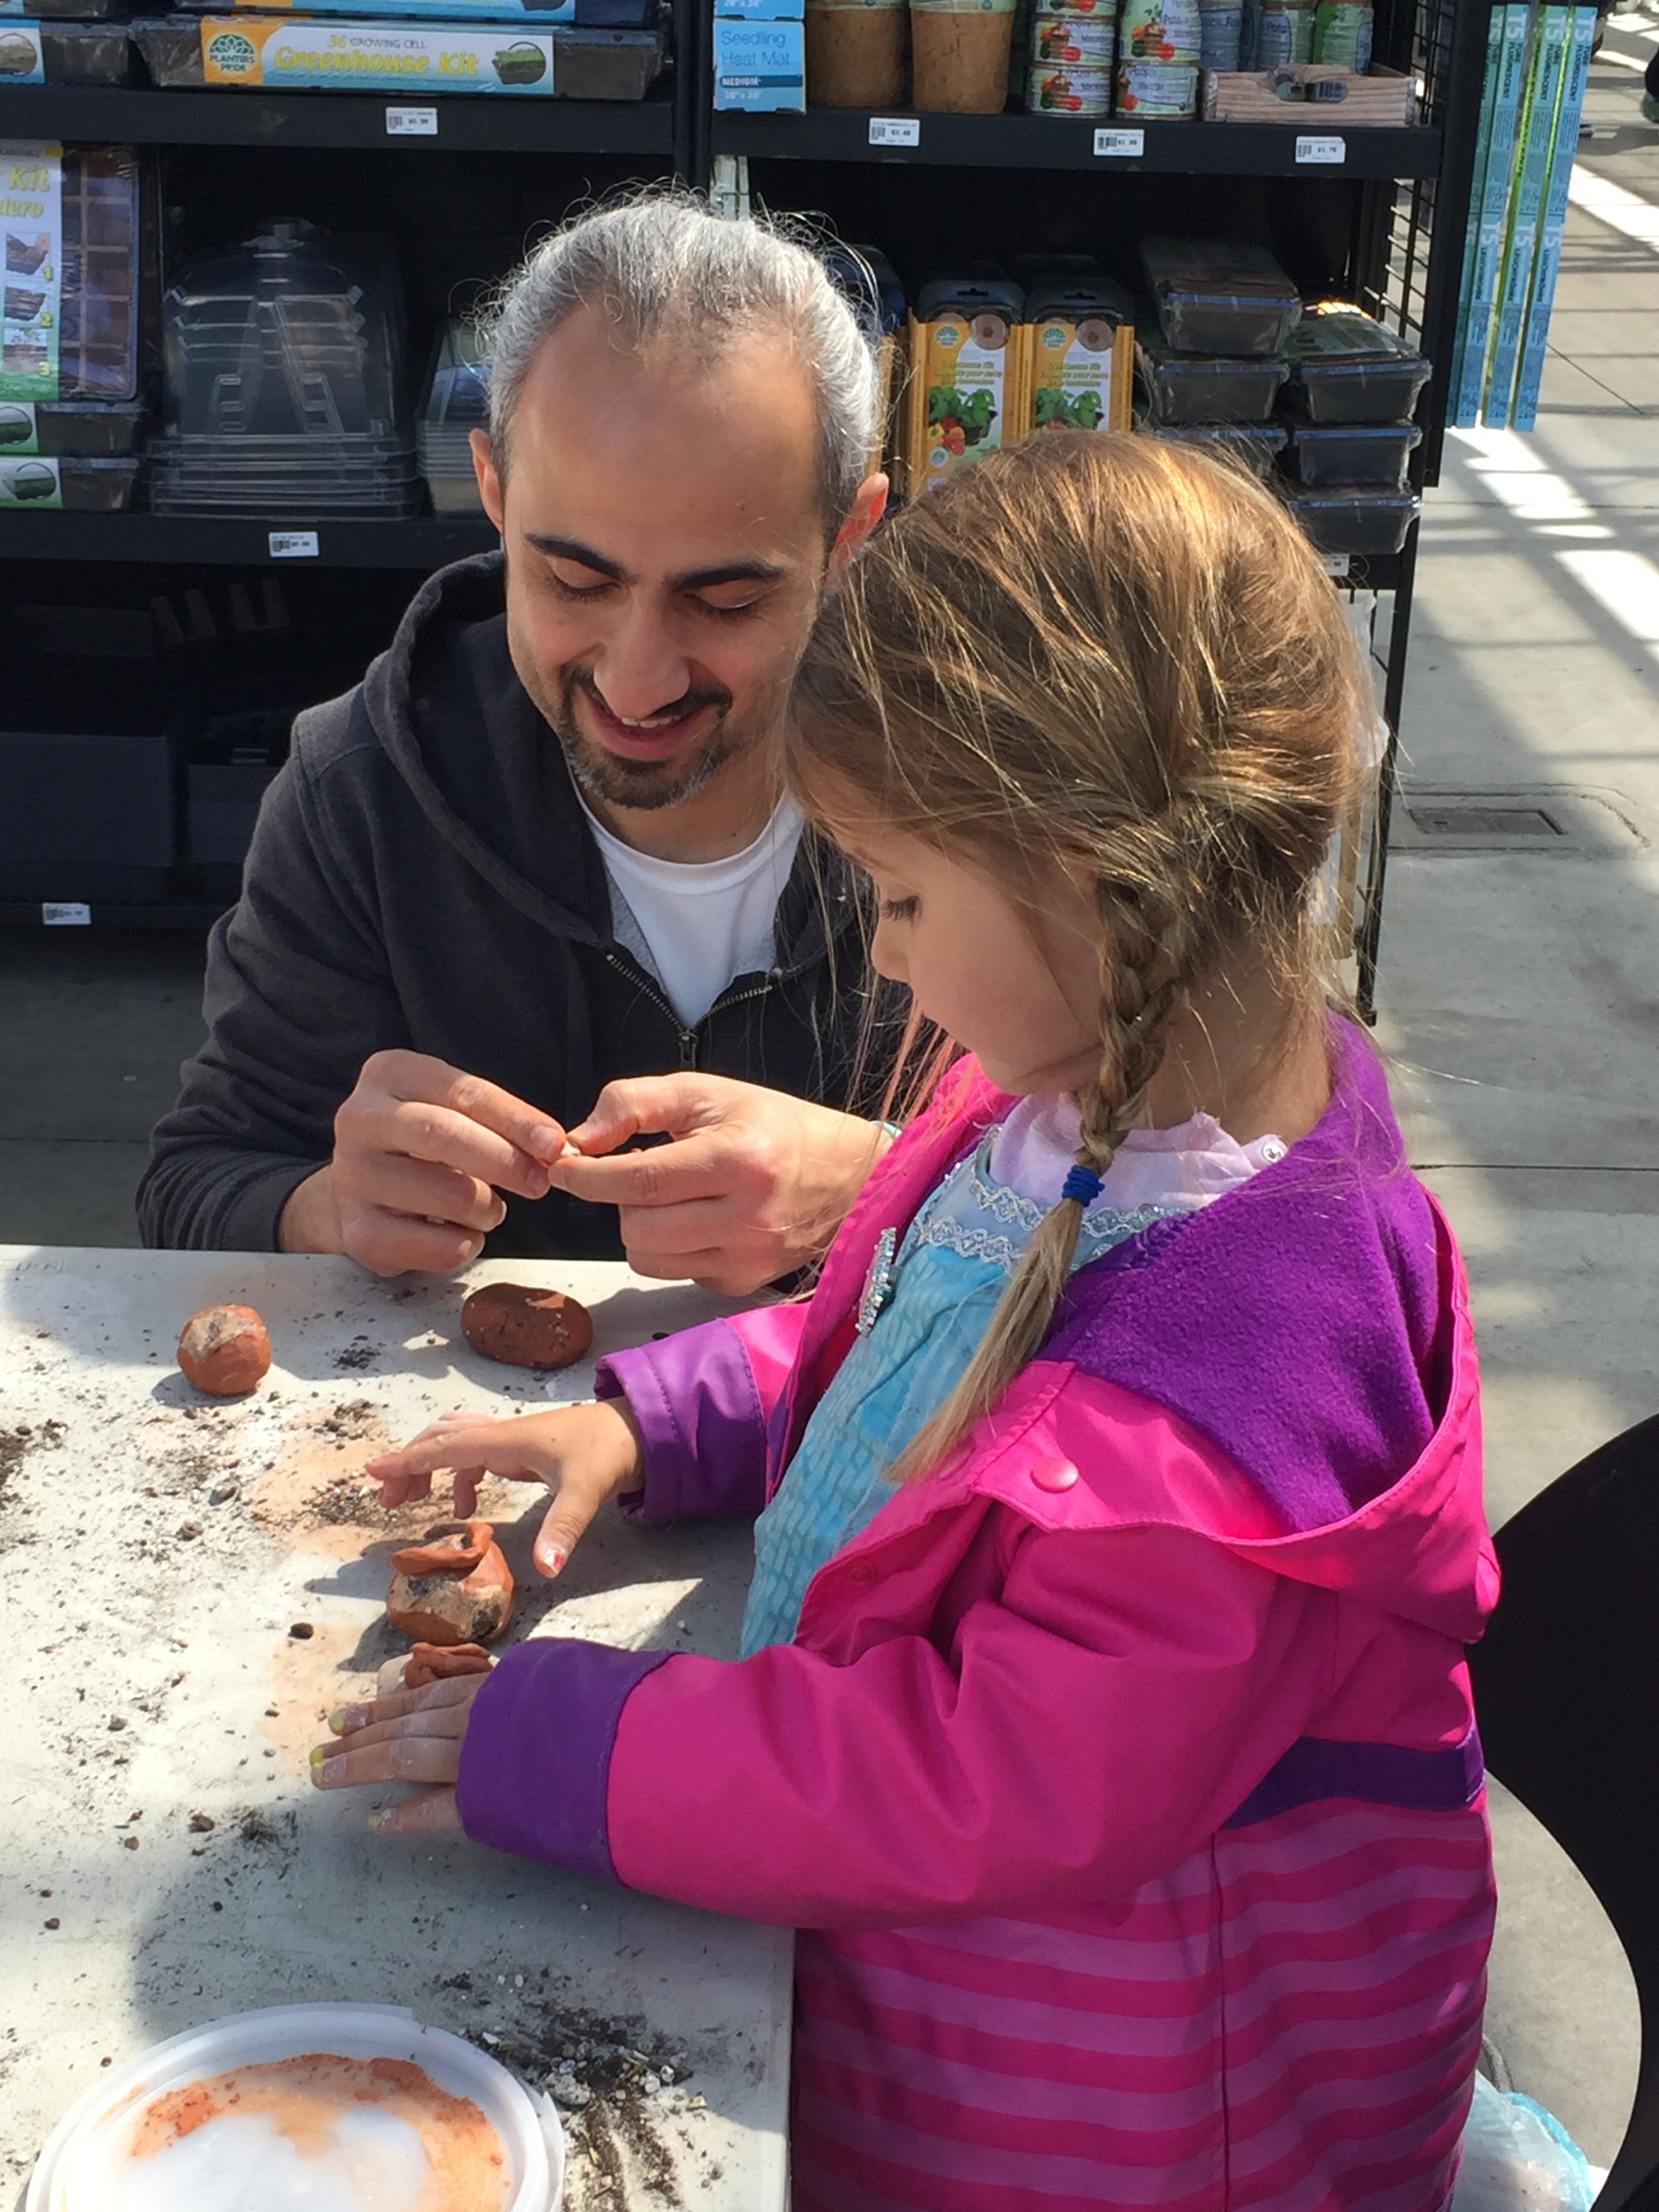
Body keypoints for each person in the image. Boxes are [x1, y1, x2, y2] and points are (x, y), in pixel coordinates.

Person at [310, 432, 1497, 2207]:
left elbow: (981, 1779)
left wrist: (581, 1747)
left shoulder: (1228, 1409)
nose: (878, 956)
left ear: (1104, 884)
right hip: (955, 1994)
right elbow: (926, 1352)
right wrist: (652, 1420)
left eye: (907, 895)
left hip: (1108, 2115)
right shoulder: (1073, 1106)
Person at [138, 196, 899, 1293]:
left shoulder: (973, 791)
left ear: (848, 541)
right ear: (492, 491)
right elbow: (194, 1184)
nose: (638, 681)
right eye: (574, 581)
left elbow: (1171, 1199)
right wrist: (325, 1209)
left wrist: (888, 1181)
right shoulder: (364, 791)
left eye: (724, 601)